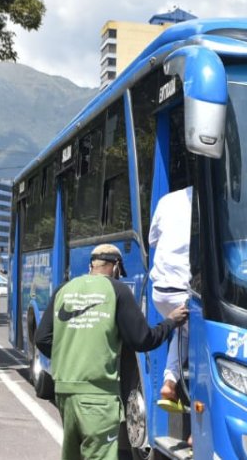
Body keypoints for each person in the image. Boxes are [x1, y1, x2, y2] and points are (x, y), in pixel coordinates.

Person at [35, 244, 187, 460]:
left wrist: (72, 357)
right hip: (98, 396)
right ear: (115, 267)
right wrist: (171, 321)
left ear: (91, 265)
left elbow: (42, 339)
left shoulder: (63, 289)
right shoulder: (117, 290)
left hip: (64, 393)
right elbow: (142, 339)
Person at [147, 187, 193, 414]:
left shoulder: (167, 199)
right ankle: (198, 429)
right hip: (182, 290)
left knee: (182, 333)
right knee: (204, 348)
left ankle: (169, 383)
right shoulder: (209, 199)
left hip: (160, 290)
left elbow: (153, 240)